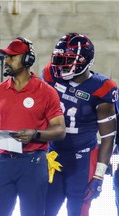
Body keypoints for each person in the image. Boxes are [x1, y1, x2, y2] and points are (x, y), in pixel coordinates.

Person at [0, 37, 66, 216]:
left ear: (27, 60)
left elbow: (60, 130)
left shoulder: (46, 92)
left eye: (12, 57)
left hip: (33, 163)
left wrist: (35, 134)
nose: (6, 61)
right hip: (2, 162)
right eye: (6, 57)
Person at [42, 32, 118, 216]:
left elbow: (108, 137)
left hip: (83, 157)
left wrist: (99, 174)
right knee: (45, 209)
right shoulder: (51, 75)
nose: (60, 66)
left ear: (84, 61)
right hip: (53, 153)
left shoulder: (102, 88)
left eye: (66, 60)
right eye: (58, 59)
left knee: (78, 211)